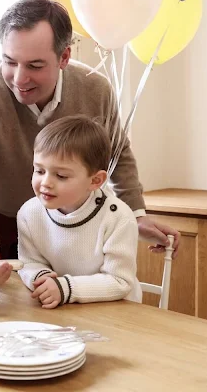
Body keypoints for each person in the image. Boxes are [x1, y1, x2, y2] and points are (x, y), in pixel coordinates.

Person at [0, 0, 179, 285]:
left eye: (34, 66)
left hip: (77, 228)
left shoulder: (96, 90)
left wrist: (135, 213)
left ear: (64, 57)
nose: (19, 78)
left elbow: (118, 154)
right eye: (9, 61)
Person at [17, 115, 141, 309]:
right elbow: (29, 262)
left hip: (116, 314)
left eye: (61, 175)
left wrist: (65, 288)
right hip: (65, 311)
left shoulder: (119, 217)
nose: (45, 183)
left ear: (95, 181)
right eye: (39, 171)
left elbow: (120, 281)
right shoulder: (29, 213)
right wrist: (41, 278)